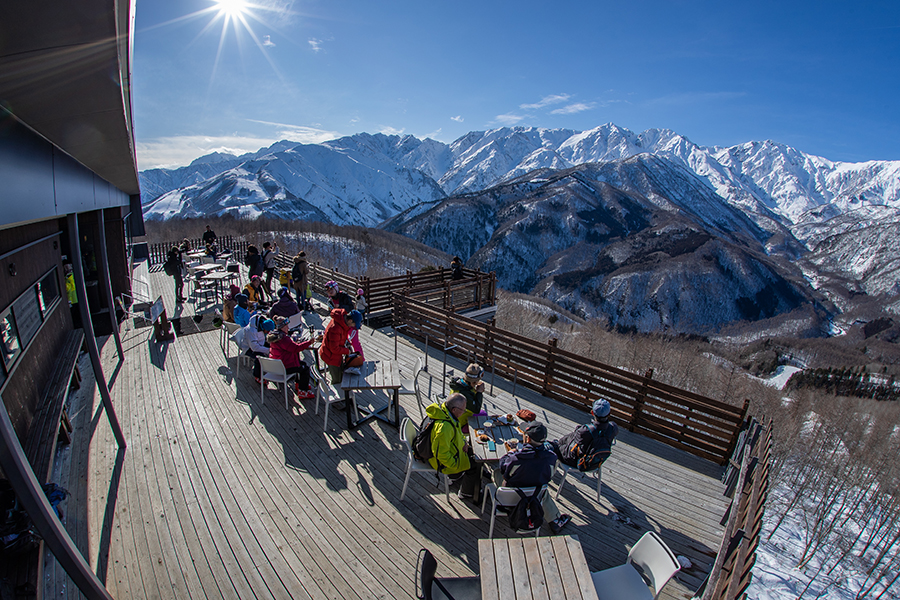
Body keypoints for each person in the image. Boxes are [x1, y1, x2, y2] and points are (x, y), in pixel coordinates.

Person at [497, 421, 571, 534]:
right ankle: (555, 520)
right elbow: (549, 477)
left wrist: (510, 453)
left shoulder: (516, 458)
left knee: (496, 472)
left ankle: (503, 505)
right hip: (535, 495)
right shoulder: (551, 458)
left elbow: (504, 470)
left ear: (528, 439)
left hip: (511, 496)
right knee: (542, 490)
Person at [425, 393, 483, 503]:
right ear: (454, 409)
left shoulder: (447, 414)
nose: (464, 412)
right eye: (463, 410)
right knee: (476, 464)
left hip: (453, 451)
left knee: (475, 453)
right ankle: (466, 493)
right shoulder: (444, 428)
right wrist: (455, 464)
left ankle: (457, 477)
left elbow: (458, 432)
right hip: (443, 463)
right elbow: (441, 455)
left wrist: (464, 443)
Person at [551, 398, 618, 471]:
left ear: (592, 413)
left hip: (578, 462)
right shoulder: (613, 428)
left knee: (554, 445)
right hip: (597, 462)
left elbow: (572, 439)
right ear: (609, 414)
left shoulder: (586, 430)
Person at [267, 316, 320, 399]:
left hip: (277, 364)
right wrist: (309, 342)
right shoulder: (283, 339)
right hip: (284, 367)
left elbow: (290, 347)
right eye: (286, 326)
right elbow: (296, 348)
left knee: (301, 363)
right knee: (305, 368)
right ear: (282, 327)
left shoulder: (274, 336)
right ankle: (303, 391)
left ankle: (299, 384)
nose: (288, 328)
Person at [318, 307, 354, 385]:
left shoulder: (341, 321)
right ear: (350, 321)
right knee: (337, 380)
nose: (352, 327)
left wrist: (347, 343)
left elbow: (340, 338)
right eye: (353, 325)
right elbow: (334, 349)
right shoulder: (335, 328)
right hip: (330, 357)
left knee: (342, 373)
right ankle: (337, 392)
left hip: (334, 355)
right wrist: (347, 351)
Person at [241, 313, 275, 381]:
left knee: (275, 346)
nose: (268, 332)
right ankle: (257, 376)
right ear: (263, 328)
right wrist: (269, 350)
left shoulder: (263, 324)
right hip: (249, 348)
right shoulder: (252, 331)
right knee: (260, 358)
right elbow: (254, 348)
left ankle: (274, 368)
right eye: (267, 331)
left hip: (260, 342)